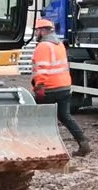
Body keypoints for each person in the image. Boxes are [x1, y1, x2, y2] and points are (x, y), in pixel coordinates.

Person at [30, 17, 91, 157]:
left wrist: (39, 86)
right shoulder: (59, 45)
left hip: (49, 88)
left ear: (42, 31)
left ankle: (45, 148)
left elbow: (42, 69)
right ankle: (83, 143)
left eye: (37, 30)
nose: (36, 33)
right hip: (64, 87)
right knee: (65, 116)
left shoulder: (43, 46)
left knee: (39, 117)